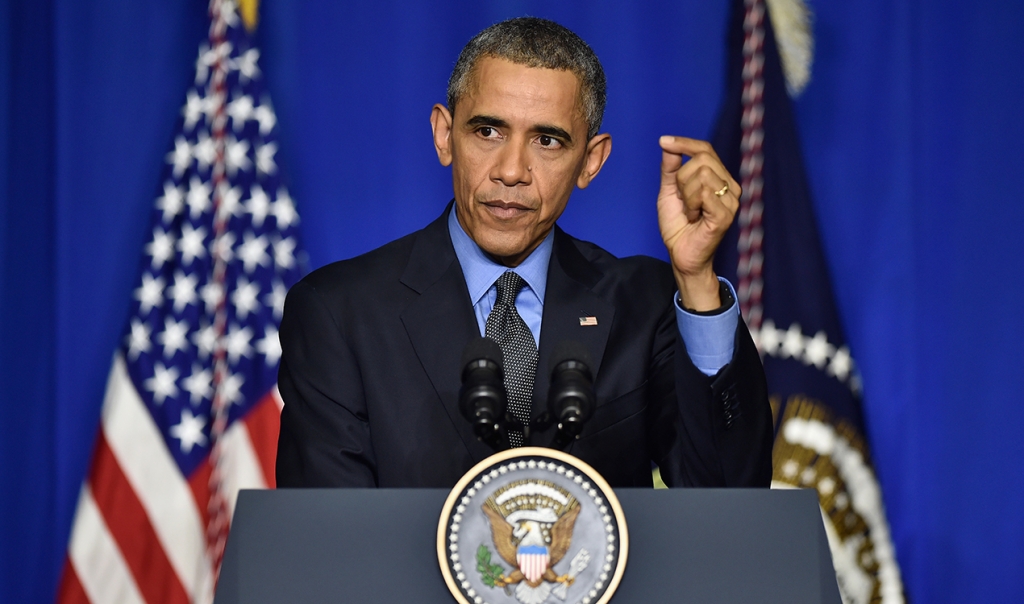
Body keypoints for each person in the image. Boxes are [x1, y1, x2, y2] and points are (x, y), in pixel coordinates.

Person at [275, 17, 772, 488]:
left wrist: (698, 279)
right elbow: (328, 541)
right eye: (487, 131)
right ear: (444, 135)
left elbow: (729, 495)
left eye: (548, 141)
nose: (511, 170)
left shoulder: (645, 303)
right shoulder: (339, 312)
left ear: (590, 162)